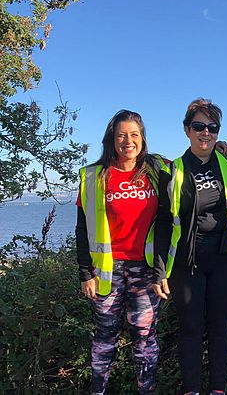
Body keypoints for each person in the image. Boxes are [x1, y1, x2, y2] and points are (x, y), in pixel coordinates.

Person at [152, 98, 227, 395]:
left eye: (212, 127)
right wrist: (160, 271)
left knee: (220, 327)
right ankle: (192, 390)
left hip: (226, 260)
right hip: (186, 263)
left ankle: (218, 389)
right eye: (199, 126)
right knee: (190, 329)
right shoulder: (173, 170)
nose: (206, 133)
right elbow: (163, 222)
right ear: (187, 130)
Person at [76, 109, 168, 395]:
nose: (128, 141)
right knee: (105, 336)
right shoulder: (94, 176)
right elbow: (82, 229)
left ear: (142, 138)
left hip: (147, 269)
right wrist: (84, 272)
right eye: (121, 135)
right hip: (107, 270)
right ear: (111, 139)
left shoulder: (158, 170)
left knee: (144, 336)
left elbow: (196, 162)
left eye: (134, 135)